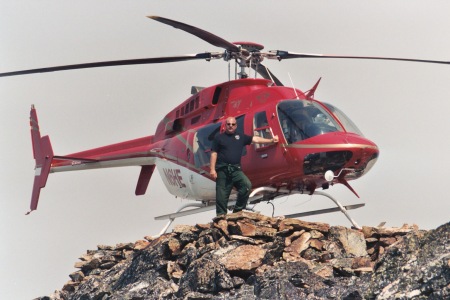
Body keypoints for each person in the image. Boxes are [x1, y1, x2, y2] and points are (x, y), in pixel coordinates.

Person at [210, 116, 279, 218]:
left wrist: (270, 141)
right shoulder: (218, 138)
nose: (230, 126)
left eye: (233, 124)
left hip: (236, 169)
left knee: (246, 185)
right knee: (222, 194)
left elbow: (255, 139)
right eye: (228, 124)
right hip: (223, 169)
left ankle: (237, 212)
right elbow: (214, 153)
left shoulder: (240, 136)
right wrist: (212, 169)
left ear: (236, 125)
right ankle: (221, 216)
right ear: (225, 126)